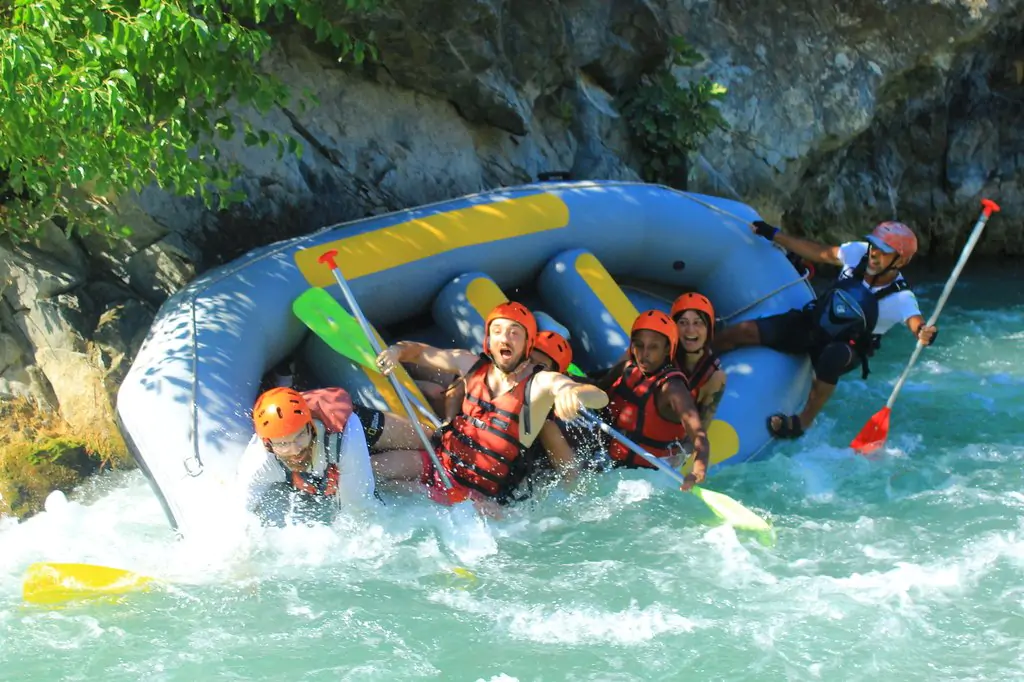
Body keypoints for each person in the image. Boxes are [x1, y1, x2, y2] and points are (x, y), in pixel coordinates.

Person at [713, 219, 938, 439]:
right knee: (742, 331)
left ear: (900, 261)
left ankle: (804, 420)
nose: (875, 253)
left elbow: (915, 322)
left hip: (848, 346)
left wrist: (922, 332)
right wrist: (774, 234)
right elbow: (820, 252)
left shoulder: (902, 298)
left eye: (884, 251)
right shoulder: (858, 252)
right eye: (874, 246)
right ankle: (701, 357)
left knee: (834, 355)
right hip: (813, 322)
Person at [369, 302, 609, 505]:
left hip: (475, 498)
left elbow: (595, 396)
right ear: (489, 341)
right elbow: (420, 352)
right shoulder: (471, 365)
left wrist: (572, 392)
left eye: (514, 333)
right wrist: (396, 351)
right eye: (498, 331)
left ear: (526, 345)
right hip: (441, 462)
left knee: (404, 493)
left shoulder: (540, 389)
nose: (505, 337)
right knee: (368, 471)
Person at [235, 386, 428, 515]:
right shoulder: (260, 461)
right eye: (283, 444)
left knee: (429, 440)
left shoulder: (343, 435)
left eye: (299, 436)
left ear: (310, 426)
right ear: (268, 445)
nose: (294, 450)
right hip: (325, 456)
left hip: (350, 424)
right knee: (376, 470)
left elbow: (359, 507)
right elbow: (239, 511)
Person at [600, 310, 710, 490]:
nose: (644, 354)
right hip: (612, 464)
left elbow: (699, 436)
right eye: (639, 345)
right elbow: (597, 385)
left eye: (653, 347)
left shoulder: (673, 388)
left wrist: (698, 469)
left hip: (649, 479)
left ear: (667, 349)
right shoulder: (628, 368)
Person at [670, 293, 727, 428]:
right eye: (683, 323)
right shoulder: (658, 350)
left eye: (698, 323)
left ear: (709, 330)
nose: (690, 330)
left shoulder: (715, 377)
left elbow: (700, 429)